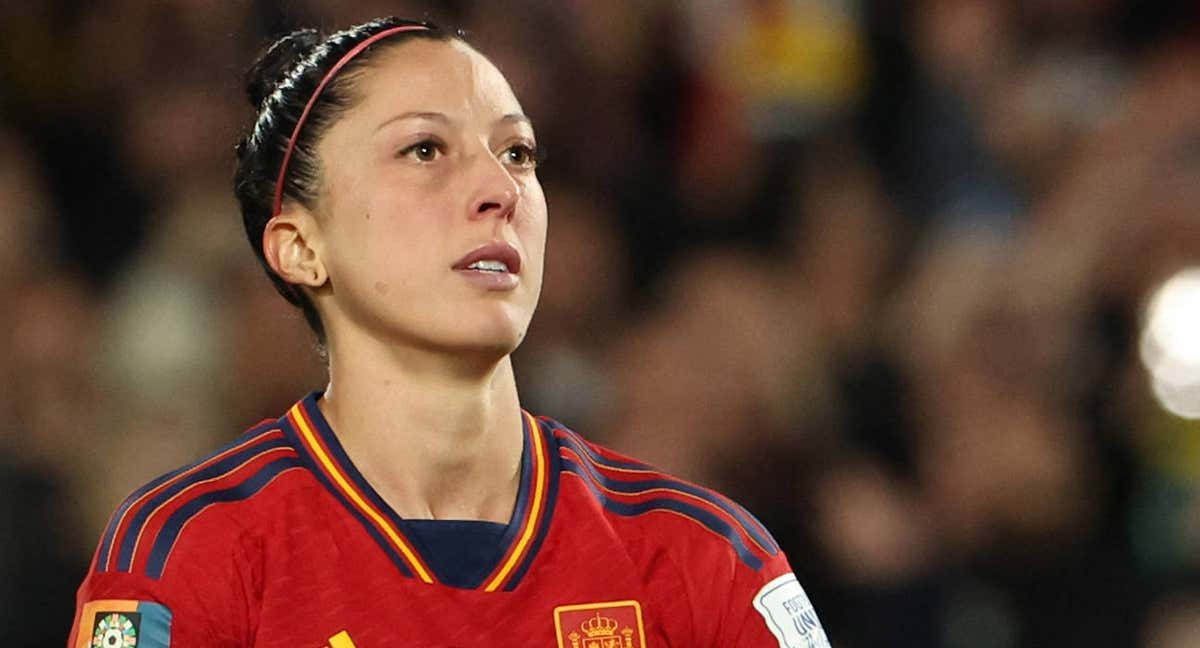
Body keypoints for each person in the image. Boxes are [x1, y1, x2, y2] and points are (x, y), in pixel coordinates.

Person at [68, 17, 830, 648]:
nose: (500, 190)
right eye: (424, 149)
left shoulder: (708, 558)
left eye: (518, 153)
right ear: (300, 247)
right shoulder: (189, 550)